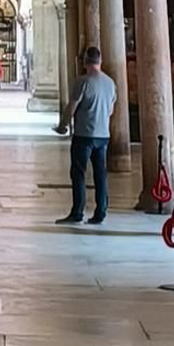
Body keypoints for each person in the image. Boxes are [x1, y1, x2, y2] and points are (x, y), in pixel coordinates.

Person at [52, 45, 117, 226]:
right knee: (100, 174)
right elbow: (110, 110)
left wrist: (63, 125)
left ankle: (77, 212)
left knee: (79, 173)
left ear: (85, 62)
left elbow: (72, 106)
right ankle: (101, 211)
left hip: (84, 135)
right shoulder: (110, 83)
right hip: (103, 135)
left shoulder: (83, 81)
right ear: (100, 60)